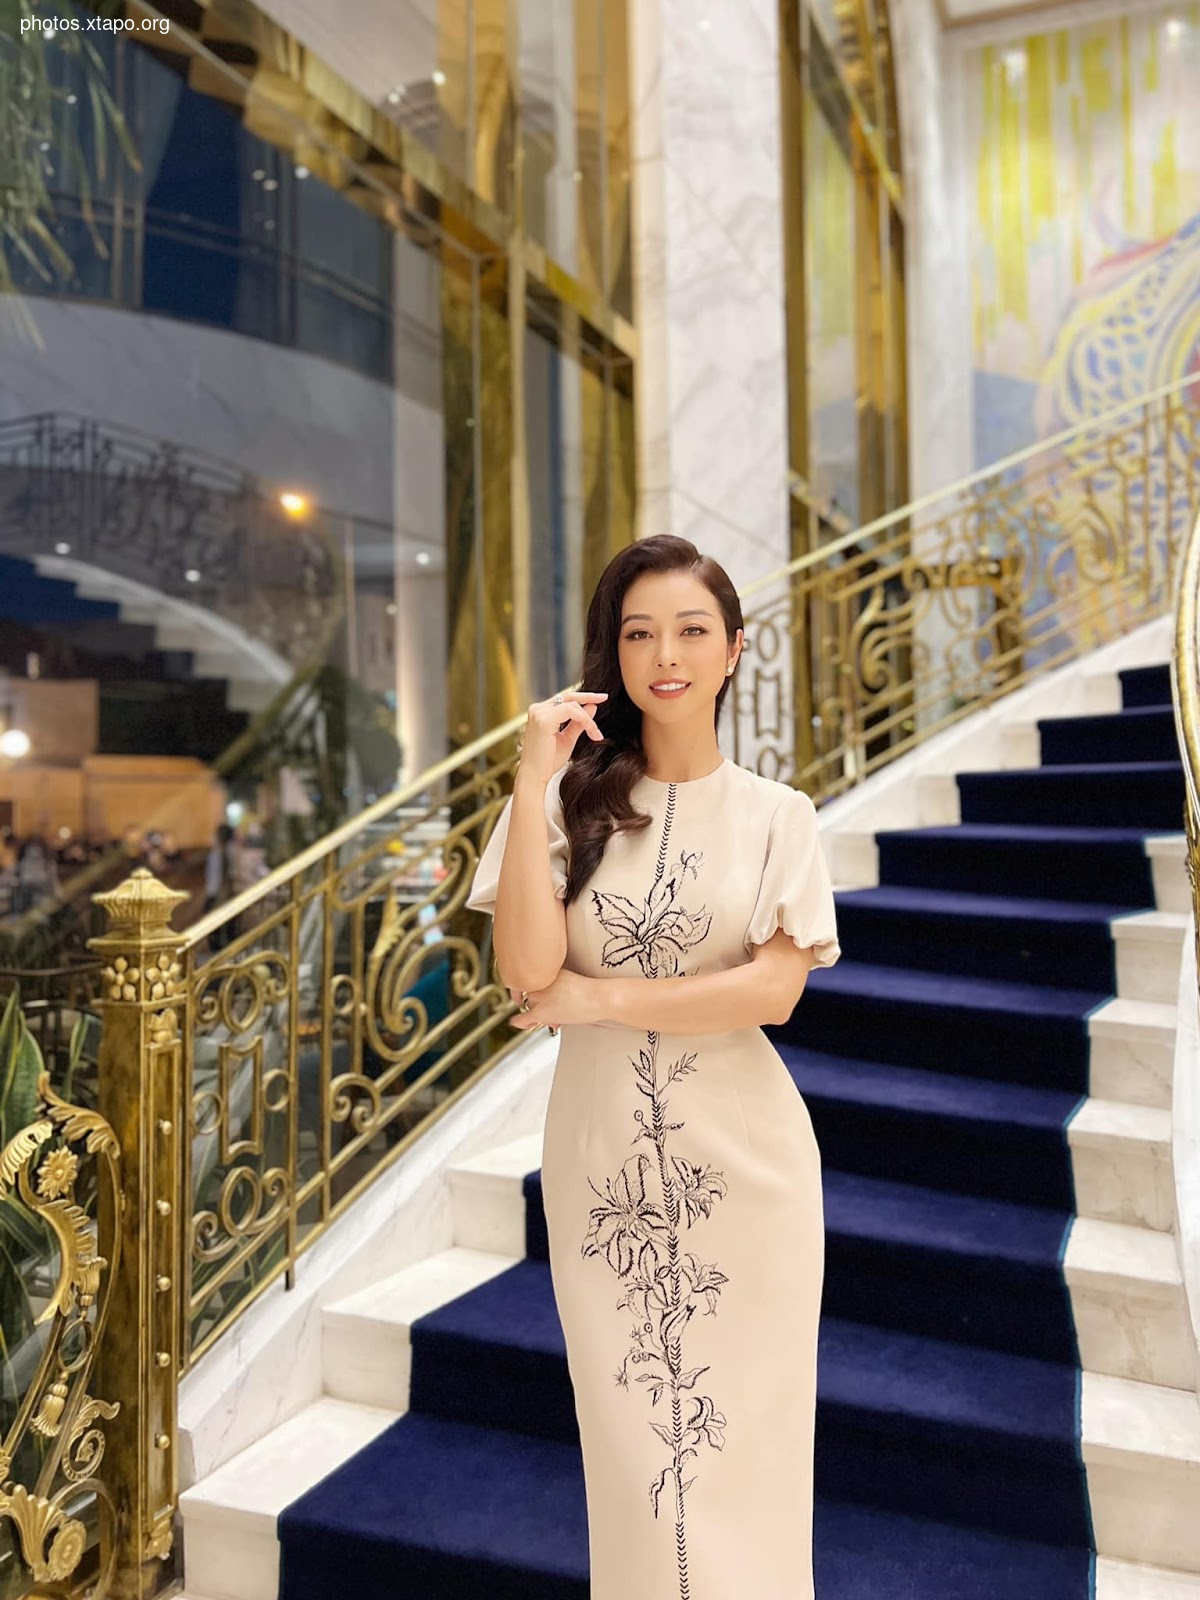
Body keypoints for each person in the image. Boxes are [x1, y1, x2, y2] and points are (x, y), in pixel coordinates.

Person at [465, 534, 840, 1600]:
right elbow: (530, 970)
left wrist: (601, 999)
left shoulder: (780, 817)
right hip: (602, 1172)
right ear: (612, 655)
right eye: (637, 632)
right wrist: (535, 778)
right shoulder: (567, 806)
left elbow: (773, 992)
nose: (662, 653)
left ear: (731, 651)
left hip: (749, 1174)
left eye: (689, 629)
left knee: (752, 1459)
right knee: (633, 1461)